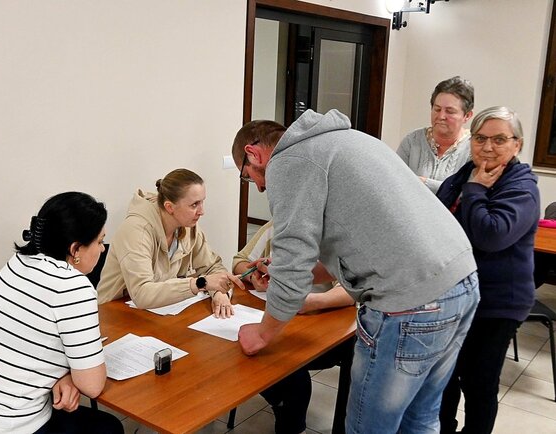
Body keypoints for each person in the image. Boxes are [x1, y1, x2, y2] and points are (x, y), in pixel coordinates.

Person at [232, 109, 480, 433]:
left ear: (253, 153)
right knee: (418, 419)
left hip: (410, 301)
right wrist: (294, 272)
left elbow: (292, 263)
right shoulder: (345, 140)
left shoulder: (288, 161)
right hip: (460, 282)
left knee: (369, 427)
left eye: (249, 177)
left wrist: (262, 333)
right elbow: (357, 246)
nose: (260, 188)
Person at [0, 192, 123, 434]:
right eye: (99, 242)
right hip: (6, 427)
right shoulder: (73, 286)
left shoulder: (18, 263)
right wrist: (71, 376)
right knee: (108, 428)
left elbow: (27, 345)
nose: (102, 249)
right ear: (75, 249)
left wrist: (63, 375)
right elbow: (93, 386)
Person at [437, 106, 540, 434]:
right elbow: (438, 215)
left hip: (497, 302)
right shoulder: (468, 172)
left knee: (479, 381)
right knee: (445, 376)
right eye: (480, 138)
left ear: (517, 144)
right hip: (456, 293)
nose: (488, 147)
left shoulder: (522, 186)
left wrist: (476, 191)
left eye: (499, 139)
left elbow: (492, 235)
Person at [233, 220, 355, 434]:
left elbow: (349, 291)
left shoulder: (333, 236)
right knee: (280, 372)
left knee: (293, 373)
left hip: (317, 328)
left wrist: (310, 302)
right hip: (272, 318)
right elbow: (239, 261)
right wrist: (253, 276)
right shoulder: (275, 227)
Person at [97, 168, 242, 318]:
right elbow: (141, 293)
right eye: (194, 205)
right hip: (115, 314)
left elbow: (212, 266)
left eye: (202, 202)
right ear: (169, 207)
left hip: (158, 314)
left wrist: (219, 293)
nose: (201, 211)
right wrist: (200, 283)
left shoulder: (187, 225)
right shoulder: (137, 230)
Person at [397, 76, 475, 193]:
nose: (441, 116)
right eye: (437, 109)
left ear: (467, 116)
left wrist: (423, 183)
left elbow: (468, 193)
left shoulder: (475, 147)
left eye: (450, 111)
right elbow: (395, 181)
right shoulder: (412, 141)